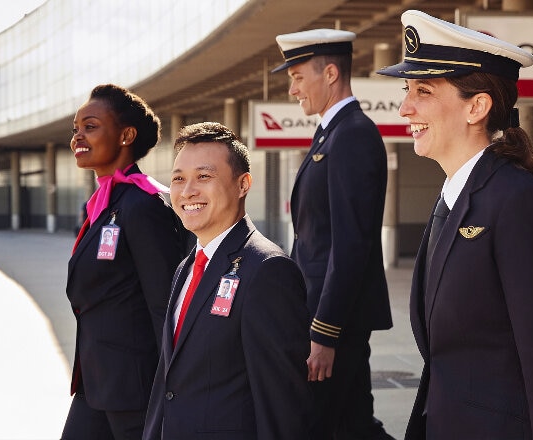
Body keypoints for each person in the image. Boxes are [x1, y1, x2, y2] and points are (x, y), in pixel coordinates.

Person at [376, 10, 533, 439]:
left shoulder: (517, 200)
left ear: (477, 106)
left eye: (423, 91)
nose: (404, 107)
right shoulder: (456, 195)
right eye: (407, 90)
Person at [142, 122, 313, 440]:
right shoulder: (186, 267)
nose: (187, 190)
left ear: (243, 184)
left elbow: (283, 404)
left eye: (203, 176)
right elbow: (168, 382)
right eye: (178, 178)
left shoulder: (267, 270)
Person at [272, 29, 394, 439]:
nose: (292, 90)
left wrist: (324, 332)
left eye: (298, 77)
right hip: (327, 315)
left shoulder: (353, 135)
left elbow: (350, 245)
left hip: (335, 323)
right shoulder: (332, 133)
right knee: (350, 425)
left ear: (329, 72)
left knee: (320, 425)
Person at [63, 84, 188, 439]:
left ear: (126, 135)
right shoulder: (105, 202)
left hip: (135, 387)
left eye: (90, 126)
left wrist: (172, 385)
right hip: (96, 379)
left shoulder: (143, 205)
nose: (78, 137)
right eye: (75, 129)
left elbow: (165, 302)